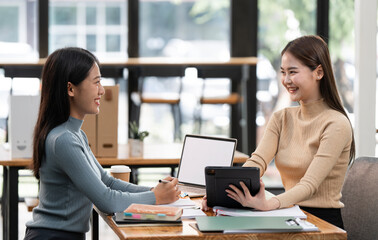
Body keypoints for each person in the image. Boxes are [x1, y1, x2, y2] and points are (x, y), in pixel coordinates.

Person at [24, 47, 180, 239]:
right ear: (70, 89)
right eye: (96, 82)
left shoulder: (74, 134)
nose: (102, 90)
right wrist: (156, 197)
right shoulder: (64, 139)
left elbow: (107, 181)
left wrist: (154, 191)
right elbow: (106, 200)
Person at [203, 35, 354, 229]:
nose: (286, 80)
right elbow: (256, 163)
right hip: (289, 213)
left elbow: (309, 185)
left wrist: (268, 204)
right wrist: (224, 196)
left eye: (293, 72)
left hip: (322, 224)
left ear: (318, 72)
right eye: (283, 72)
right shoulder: (281, 118)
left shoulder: (336, 124)